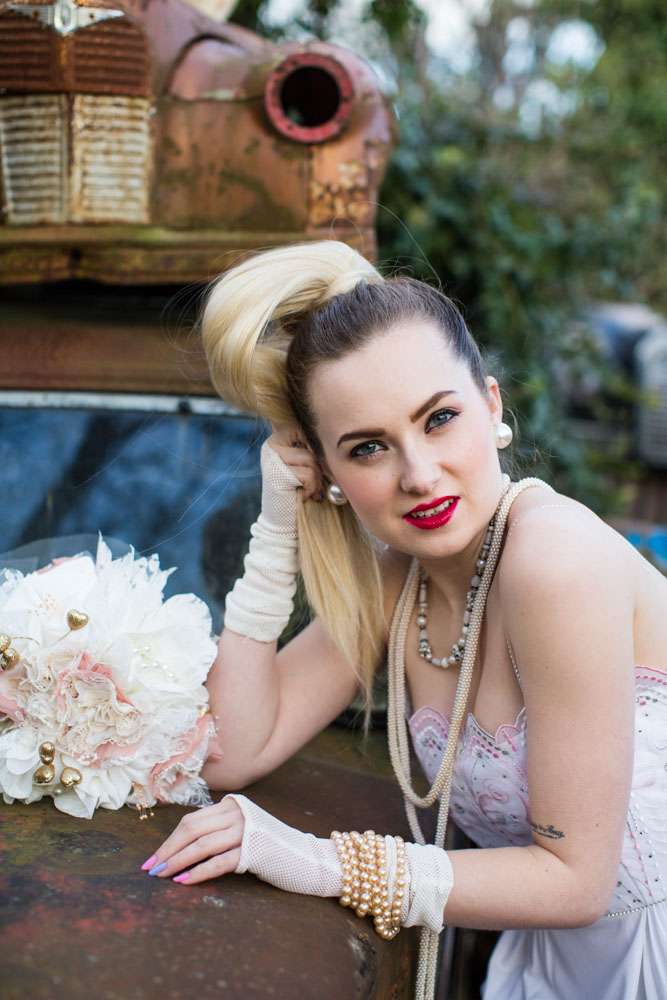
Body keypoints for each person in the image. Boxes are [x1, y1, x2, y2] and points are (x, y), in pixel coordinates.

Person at [141, 240, 667, 999]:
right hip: (557, 970)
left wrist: (319, 861)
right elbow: (233, 751)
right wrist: (278, 525)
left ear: (491, 406)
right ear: (326, 470)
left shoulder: (554, 559)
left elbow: (576, 880)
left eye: (439, 418)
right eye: (367, 448)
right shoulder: (401, 581)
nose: (418, 475)